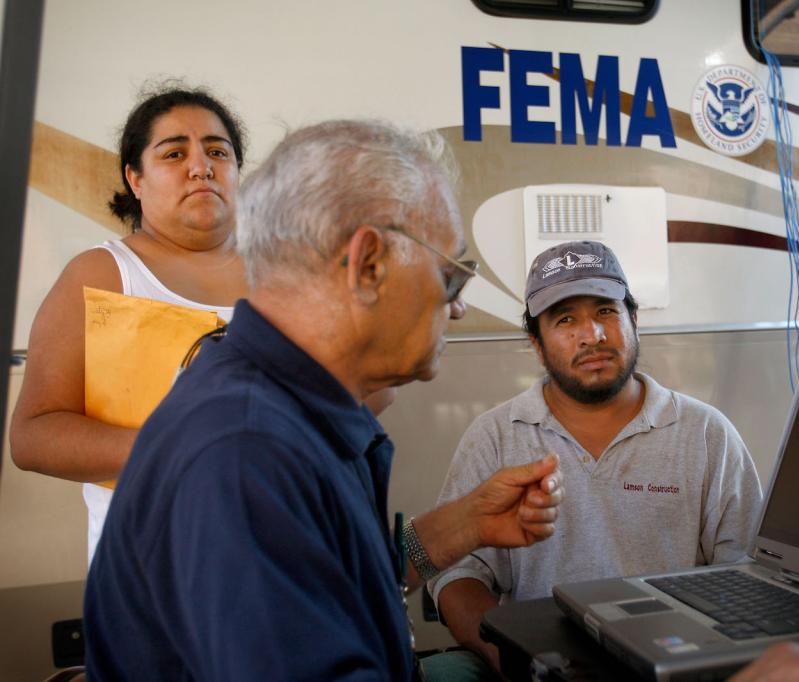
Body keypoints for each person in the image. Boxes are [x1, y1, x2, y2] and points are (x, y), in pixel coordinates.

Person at [83, 119, 565, 681]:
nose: (455, 308)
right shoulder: (246, 454)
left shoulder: (279, 406)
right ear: (367, 265)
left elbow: (337, 580)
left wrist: (470, 523)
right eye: (451, 276)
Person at [429, 240, 764, 670]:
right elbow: (458, 575)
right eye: (565, 319)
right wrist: (515, 662)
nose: (592, 335)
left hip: (677, 665)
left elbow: (745, 571)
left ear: (634, 320)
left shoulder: (705, 432)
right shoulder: (495, 436)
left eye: (606, 311)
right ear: (536, 343)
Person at [10, 86, 248, 563]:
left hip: (278, 560)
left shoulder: (288, 276)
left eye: (218, 151)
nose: (201, 166)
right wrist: (178, 446)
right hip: (151, 573)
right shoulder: (102, 273)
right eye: (174, 152)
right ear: (135, 179)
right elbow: (31, 436)